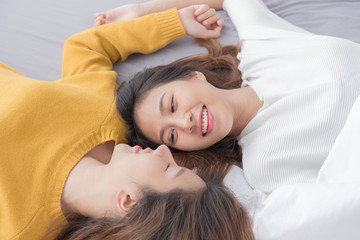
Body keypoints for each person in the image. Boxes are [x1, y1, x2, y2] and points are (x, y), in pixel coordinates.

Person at [1, 5, 256, 239]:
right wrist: (174, 22)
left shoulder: (19, 229)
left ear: (129, 202)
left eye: (168, 168)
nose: (165, 151)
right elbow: (86, 47)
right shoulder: (109, 117)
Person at [114, 0, 360, 193]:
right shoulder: (266, 167)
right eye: (172, 135)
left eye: (172, 105)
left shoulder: (262, 48)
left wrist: (142, 12)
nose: (183, 123)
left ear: (193, 76)